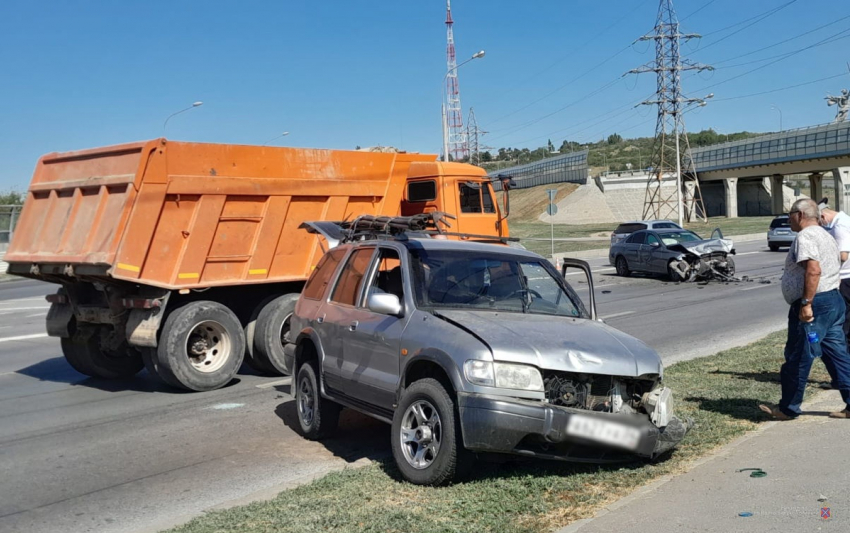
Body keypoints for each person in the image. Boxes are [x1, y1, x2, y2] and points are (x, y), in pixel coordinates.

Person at [759, 198, 850, 420]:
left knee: (799, 355)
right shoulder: (825, 234)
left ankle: (788, 409)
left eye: (790, 214)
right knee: (838, 354)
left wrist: (806, 303)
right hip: (832, 300)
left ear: (799, 215)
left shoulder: (806, 235)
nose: (788, 218)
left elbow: (813, 270)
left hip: (816, 304)